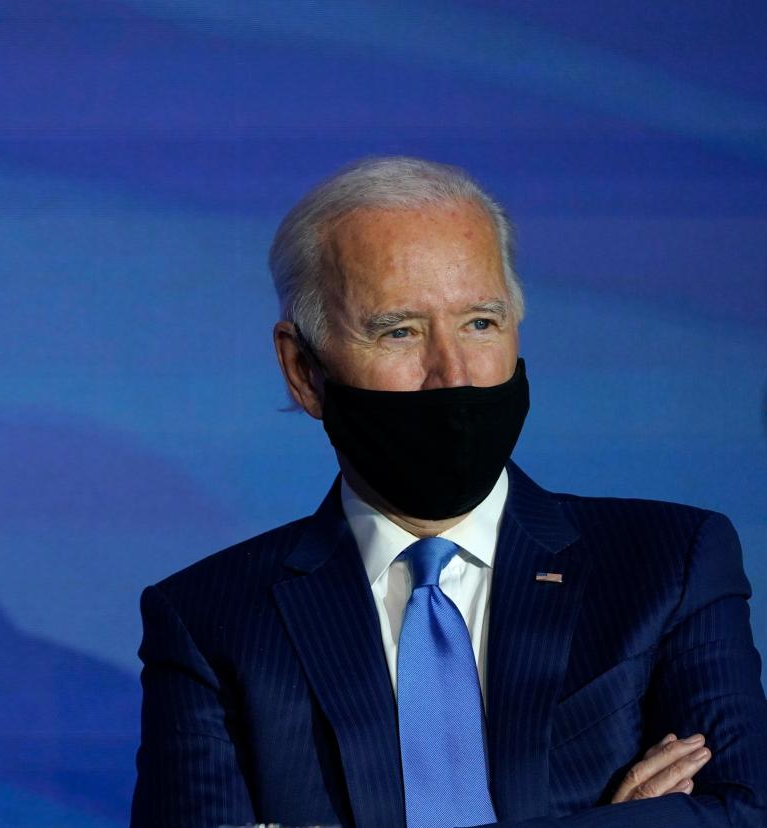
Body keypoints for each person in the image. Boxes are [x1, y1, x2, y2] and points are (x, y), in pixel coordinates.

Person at [130, 157, 767, 827]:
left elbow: (743, 814)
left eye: (481, 324)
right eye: (400, 331)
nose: (453, 374)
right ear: (302, 370)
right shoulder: (210, 623)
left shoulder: (669, 564)